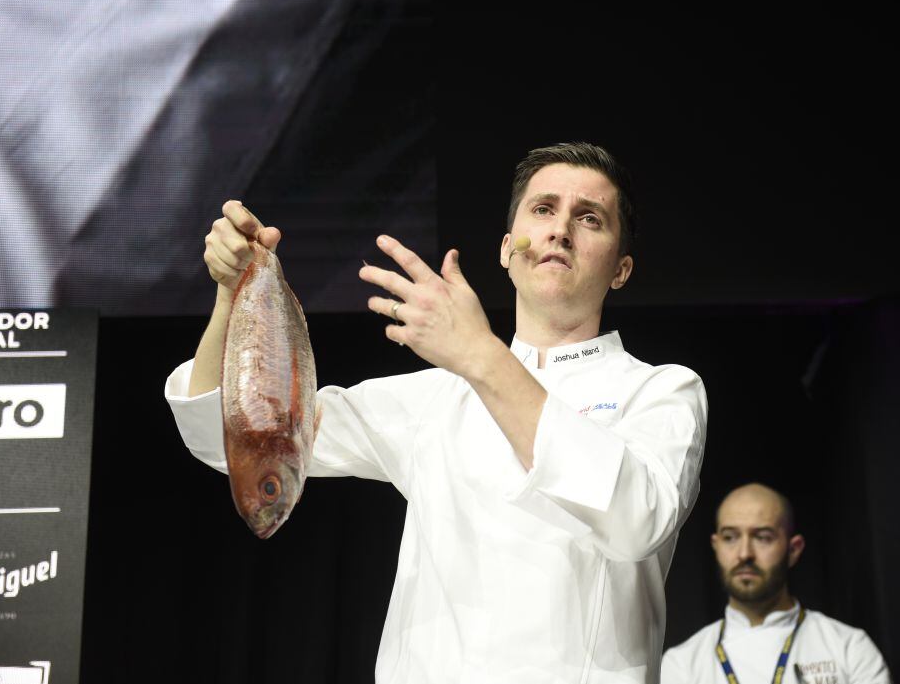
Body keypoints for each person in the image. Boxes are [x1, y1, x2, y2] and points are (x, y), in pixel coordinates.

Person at [165, 142, 707, 683]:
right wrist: (231, 295)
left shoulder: (662, 391)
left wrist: (481, 355)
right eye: (543, 209)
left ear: (621, 269)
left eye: (589, 219)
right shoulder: (432, 398)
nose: (560, 230)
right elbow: (229, 438)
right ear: (505, 249)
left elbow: (637, 521)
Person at [661, 483, 891, 683]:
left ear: (793, 550)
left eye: (762, 537)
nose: (744, 554)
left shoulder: (849, 648)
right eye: (730, 537)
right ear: (716, 545)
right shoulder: (681, 665)